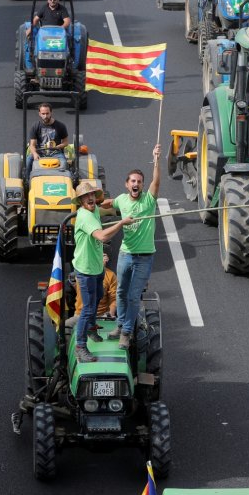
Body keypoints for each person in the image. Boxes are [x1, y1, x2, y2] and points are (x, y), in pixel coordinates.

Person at [97, 145, 160, 349]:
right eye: (133, 181)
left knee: (134, 296)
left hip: (144, 257)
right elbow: (109, 203)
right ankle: (121, 324)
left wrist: (156, 160)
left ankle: (126, 331)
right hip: (126, 254)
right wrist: (91, 205)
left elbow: (156, 182)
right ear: (127, 184)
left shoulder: (148, 201)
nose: (136, 184)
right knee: (121, 292)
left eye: (139, 182)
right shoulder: (122, 200)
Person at [72, 181, 132, 363]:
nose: (89, 198)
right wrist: (121, 223)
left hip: (96, 266)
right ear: (80, 201)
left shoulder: (94, 208)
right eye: (85, 196)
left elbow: (106, 204)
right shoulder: (85, 217)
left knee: (98, 295)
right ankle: (80, 346)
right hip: (86, 270)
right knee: (88, 307)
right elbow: (103, 236)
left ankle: (90, 327)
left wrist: (125, 201)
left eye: (91, 195)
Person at [67, 252, 117, 329]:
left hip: (102, 316)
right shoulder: (80, 272)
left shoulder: (111, 275)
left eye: (103, 256)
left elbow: (114, 298)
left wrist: (110, 315)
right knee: (63, 326)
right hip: (80, 316)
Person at [26, 103, 68, 175]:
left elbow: (65, 142)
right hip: (40, 152)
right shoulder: (35, 126)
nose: (45, 116)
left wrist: (57, 147)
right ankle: (27, 179)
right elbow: (32, 145)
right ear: (39, 114)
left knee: (63, 162)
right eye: (43, 114)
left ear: (51, 112)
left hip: (56, 153)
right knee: (28, 161)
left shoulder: (60, 126)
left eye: (47, 113)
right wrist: (35, 153)